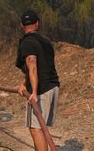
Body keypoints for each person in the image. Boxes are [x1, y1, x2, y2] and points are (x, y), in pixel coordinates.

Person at [15, 10, 60, 151]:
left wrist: (33, 91)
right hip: (52, 87)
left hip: (41, 90)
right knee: (39, 127)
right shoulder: (45, 42)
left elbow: (32, 65)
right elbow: (40, 67)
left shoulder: (27, 42)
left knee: (36, 129)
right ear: (37, 24)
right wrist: (23, 83)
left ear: (22, 25)